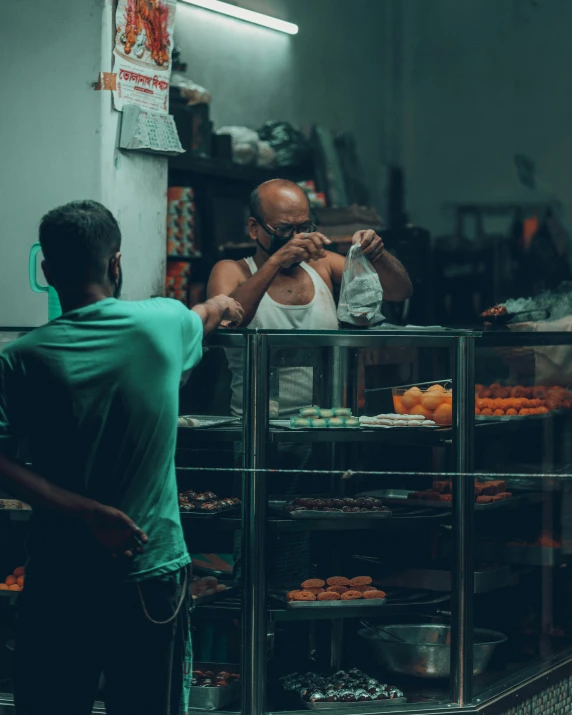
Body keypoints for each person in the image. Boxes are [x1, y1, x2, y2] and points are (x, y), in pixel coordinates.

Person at [0, 200, 243, 715]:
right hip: (149, 573)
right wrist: (221, 306)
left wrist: (83, 511)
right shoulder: (162, 324)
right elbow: (204, 315)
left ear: (46, 271)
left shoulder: (21, 358)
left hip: (58, 575)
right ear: (115, 264)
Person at [207, 178, 413, 417]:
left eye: (304, 228)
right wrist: (276, 261)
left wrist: (376, 253)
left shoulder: (321, 264)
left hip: (320, 425)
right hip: (255, 429)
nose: (297, 238)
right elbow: (225, 322)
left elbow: (400, 292)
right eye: (284, 230)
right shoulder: (231, 270)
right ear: (254, 228)